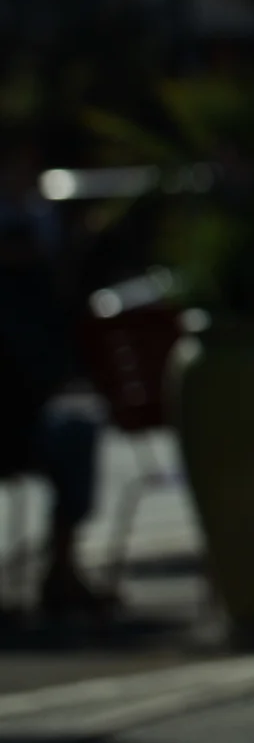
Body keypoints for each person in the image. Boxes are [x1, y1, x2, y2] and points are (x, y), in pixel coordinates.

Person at [0, 151, 110, 618]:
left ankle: (62, 571)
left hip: (23, 414)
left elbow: (50, 361)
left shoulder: (34, 280)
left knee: (75, 431)